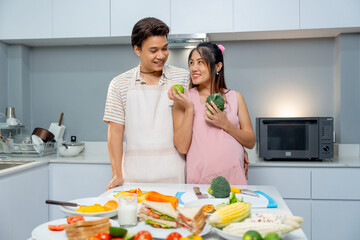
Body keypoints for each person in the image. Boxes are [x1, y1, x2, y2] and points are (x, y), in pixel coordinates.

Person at [103, 17, 189, 190]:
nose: (161, 55)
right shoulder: (119, 84)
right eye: (153, 50)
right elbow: (115, 133)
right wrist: (117, 174)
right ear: (137, 50)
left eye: (165, 49)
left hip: (175, 174)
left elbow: (195, 123)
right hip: (134, 177)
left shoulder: (183, 78)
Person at [169, 42, 255, 184]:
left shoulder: (235, 97)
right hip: (199, 179)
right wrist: (190, 109)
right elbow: (182, 147)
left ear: (218, 66)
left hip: (234, 176)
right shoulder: (183, 99)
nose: (194, 68)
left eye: (200, 62)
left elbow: (250, 142)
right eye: (191, 63)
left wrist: (226, 124)